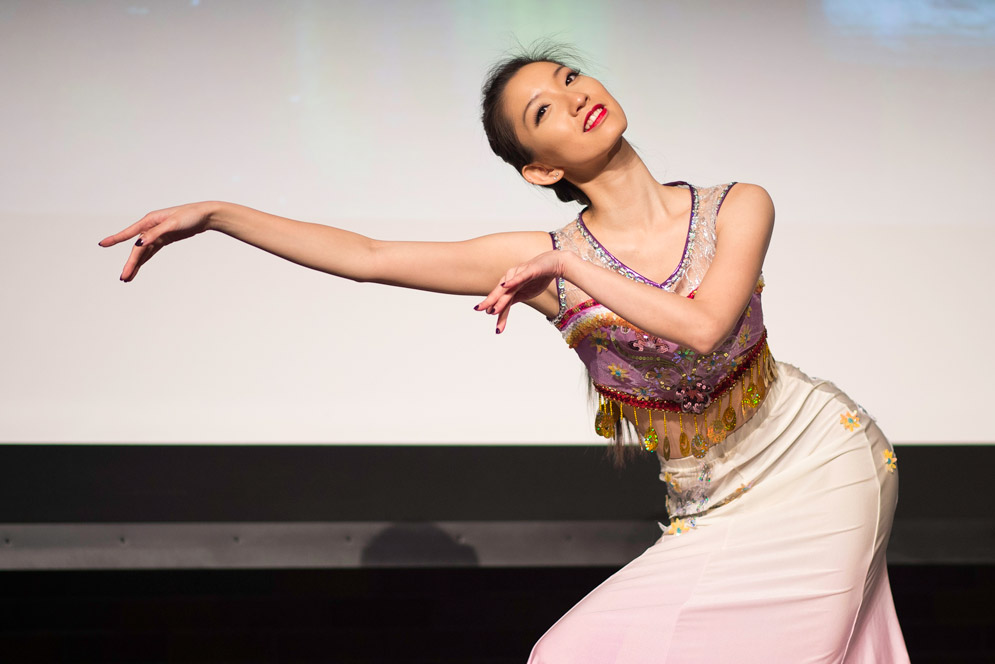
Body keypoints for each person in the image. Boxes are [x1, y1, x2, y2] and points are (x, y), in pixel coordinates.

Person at [100, 47, 909, 663]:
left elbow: (701, 327)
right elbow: (369, 255)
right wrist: (217, 213)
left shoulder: (735, 204)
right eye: (543, 111)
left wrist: (570, 268)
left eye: (569, 78)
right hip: (710, 506)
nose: (573, 97)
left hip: (818, 462)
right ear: (541, 168)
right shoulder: (544, 257)